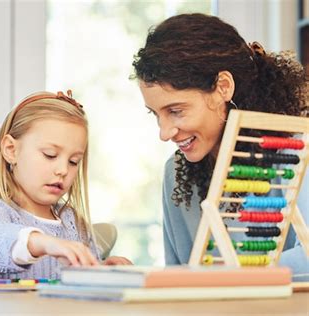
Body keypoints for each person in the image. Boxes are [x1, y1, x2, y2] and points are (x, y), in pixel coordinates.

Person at [132, 13, 308, 279]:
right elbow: (179, 275)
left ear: (223, 87)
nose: (164, 133)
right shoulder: (176, 173)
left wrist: (233, 275)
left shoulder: (294, 155)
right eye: (155, 114)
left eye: (176, 111)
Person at [0, 90, 131, 280]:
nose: (63, 170)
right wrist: (45, 243)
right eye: (50, 155)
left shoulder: (72, 220)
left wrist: (103, 269)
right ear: (11, 150)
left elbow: (83, 275)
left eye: (73, 161)